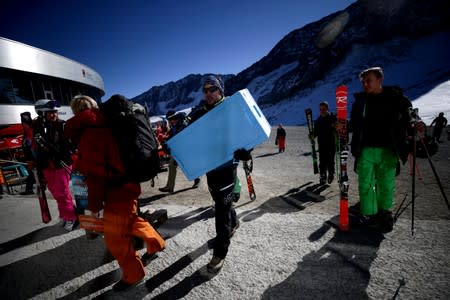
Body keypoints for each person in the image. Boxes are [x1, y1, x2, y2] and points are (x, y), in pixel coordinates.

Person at [64, 95, 165, 292]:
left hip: (115, 193)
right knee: (132, 220)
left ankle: (134, 274)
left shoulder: (90, 134)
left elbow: (94, 177)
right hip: (128, 186)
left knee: (115, 239)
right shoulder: (108, 122)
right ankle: (156, 244)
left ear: (76, 112)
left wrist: (93, 208)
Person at [186, 75, 248, 273]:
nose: (208, 93)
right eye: (205, 90)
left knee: (221, 211)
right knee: (221, 201)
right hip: (210, 167)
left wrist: (246, 150)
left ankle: (220, 252)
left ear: (220, 90)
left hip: (228, 167)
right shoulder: (201, 112)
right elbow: (187, 133)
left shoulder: (231, 107)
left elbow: (246, 131)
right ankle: (235, 221)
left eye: (212, 89)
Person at [349, 67, 414, 233]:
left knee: (386, 184)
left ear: (380, 80)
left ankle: (384, 213)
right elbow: (354, 124)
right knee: (366, 184)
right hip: (365, 150)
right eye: (363, 82)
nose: (365, 84)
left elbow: (410, 115)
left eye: (368, 80)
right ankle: (368, 214)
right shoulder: (360, 101)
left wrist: (416, 123)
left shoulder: (396, 98)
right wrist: (341, 126)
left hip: (388, 150)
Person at [32, 99, 77, 231]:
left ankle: (70, 217)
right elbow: (33, 146)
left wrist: (59, 150)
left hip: (61, 164)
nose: (54, 114)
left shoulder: (62, 125)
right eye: (50, 112)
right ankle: (65, 213)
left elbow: (70, 145)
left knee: (63, 192)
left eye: (55, 112)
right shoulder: (37, 127)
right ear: (41, 113)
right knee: (55, 192)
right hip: (47, 165)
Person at [158, 110, 200, 193]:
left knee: (188, 165)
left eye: (170, 119)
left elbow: (183, 137)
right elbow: (172, 134)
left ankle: (197, 179)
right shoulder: (176, 124)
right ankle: (170, 187)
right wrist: (166, 139)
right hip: (178, 149)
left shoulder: (183, 123)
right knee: (171, 165)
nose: (169, 122)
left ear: (174, 118)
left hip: (186, 148)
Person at [312, 101, 337, 184]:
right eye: (320, 109)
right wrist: (312, 135)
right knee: (322, 161)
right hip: (322, 144)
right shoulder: (318, 121)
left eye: (323, 109)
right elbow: (315, 132)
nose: (322, 110)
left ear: (327, 109)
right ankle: (323, 176)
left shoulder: (332, 118)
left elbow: (338, 128)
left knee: (330, 160)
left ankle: (331, 174)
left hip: (331, 143)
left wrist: (335, 127)